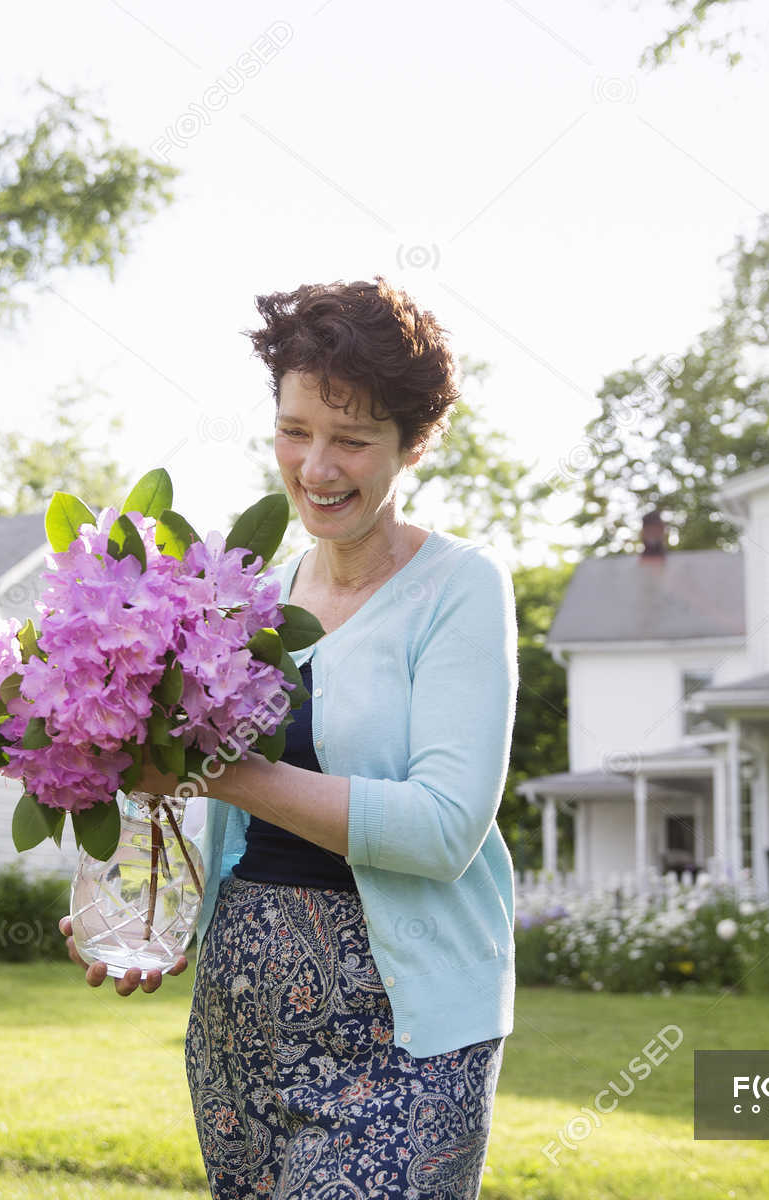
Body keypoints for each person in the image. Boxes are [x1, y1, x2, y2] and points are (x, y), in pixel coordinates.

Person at [58, 276, 520, 1198]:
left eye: (352, 440)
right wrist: (155, 914)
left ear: (411, 445)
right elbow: (209, 824)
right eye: (295, 430)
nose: (316, 467)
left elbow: (442, 829)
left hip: (405, 1032)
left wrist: (215, 770)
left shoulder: (462, 588)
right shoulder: (250, 597)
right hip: (240, 1019)